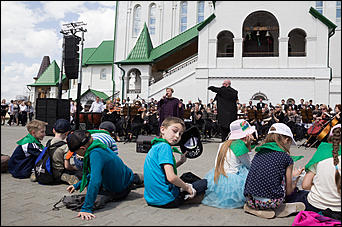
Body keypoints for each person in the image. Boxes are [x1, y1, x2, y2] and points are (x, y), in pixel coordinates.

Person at [66, 130, 143, 220]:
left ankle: (134, 181)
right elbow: (95, 173)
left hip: (121, 190)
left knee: (97, 197)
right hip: (126, 176)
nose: (76, 155)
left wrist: (86, 208)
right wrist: (77, 185)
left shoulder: (95, 154)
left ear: (83, 148)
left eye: (75, 152)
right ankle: (137, 179)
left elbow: (95, 181)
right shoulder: (97, 144)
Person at [243, 123, 305, 219]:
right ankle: (277, 208)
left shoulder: (259, 153)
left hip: (250, 200)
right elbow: (288, 191)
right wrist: (296, 178)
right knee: (295, 192)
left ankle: (255, 209)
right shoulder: (286, 158)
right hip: (272, 202)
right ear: (286, 140)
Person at [143, 117, 207, 208]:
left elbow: (162, 171)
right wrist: (187, 187)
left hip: (152, 199)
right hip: (167, 200)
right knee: (205, 183)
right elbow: (171, 178)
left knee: (187, 175)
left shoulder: (156, 145)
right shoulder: (165, 147)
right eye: (174, 131)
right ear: (162, 129)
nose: (177, 136)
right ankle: (189, 197)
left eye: (180, 134)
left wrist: (180, 162)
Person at [285, 124, 341, 220]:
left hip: (315, 204)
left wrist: (322, 188)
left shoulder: (320, 155)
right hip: (338, 209)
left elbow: (306, 185)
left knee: (298, 194)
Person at [201, 119, 256, 209]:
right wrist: (249, 146)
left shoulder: (223, 144)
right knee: (248, 170)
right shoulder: (240, 146)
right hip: (235, 182)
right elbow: (250, 165)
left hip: (219, 178)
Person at [48, 119, 82, 185]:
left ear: (53, 130)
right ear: (67, 133)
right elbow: (67, 166)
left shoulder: (49, 142)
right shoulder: (66, 146)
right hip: (59, 171)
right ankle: (66, 177)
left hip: (49, 170)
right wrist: (74, 168)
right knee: (80, 173)